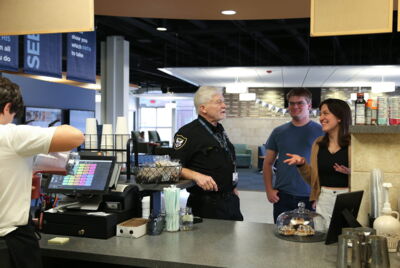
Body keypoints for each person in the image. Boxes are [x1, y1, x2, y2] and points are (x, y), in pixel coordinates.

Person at [0, 77, 84, 268]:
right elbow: (75, 137)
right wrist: (59, 127)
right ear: (7, 107)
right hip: (10, 241)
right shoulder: (11, 135)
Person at [171, 86, 243, 221]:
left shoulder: (219, 130)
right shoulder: (187, 133)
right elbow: (173, 167)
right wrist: (196, 175)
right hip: (206, 204)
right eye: (218, 102)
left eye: (223, 101)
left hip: (230, 200)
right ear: (203, 108)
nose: (224, 106)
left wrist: (232, 188)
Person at [284, 98, 352, 229]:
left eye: (326, 113)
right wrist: (302, 164)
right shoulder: (318, 144)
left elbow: (365, 174)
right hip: (324, 200)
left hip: (348, 199)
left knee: (346, 240)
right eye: (320, 114)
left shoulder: (354, 143)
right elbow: (313, 180)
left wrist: (351, 172)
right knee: (323, 241)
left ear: (339, 117)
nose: (321, 118)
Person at [263, 88, 324, 223]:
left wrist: (321, 194)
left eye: (300, 103)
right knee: (282, 236)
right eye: (291, 103)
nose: (295, 106)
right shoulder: (278, 132)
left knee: (309, 238)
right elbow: (267, 163)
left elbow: (326, 165)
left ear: (309, 105)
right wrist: (269, 190)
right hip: (283, 196)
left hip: (310, 196)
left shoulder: (321, 131)